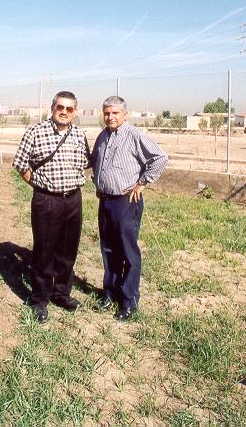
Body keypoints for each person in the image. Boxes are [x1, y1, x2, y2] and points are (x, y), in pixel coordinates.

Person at [13, 91, 90, 323]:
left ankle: (62, 294)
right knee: (44, 251)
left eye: (69, 109)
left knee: (68, 251)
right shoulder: (36, 132)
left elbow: (85, 163)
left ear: (74, 112)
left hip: (73, 200)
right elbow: (20, 163)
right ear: (52, 108)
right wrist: (38, 184)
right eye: (60, 107)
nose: (64, 112)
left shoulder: (79, 134)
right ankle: (39, 299)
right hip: (47, 200)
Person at [91, 96, 168, 321]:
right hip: (105, 201)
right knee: (108, 250)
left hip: (126, 201)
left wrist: (143, 182)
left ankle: (129, 300)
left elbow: (160, 158)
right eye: (107, 113)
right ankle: (110, 293)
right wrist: (99, 183)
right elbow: (96, 161)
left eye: (115, 113)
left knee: (127, 251)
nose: (110, 117)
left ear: (125, 114)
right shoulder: (102, 136)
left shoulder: (134, 135)